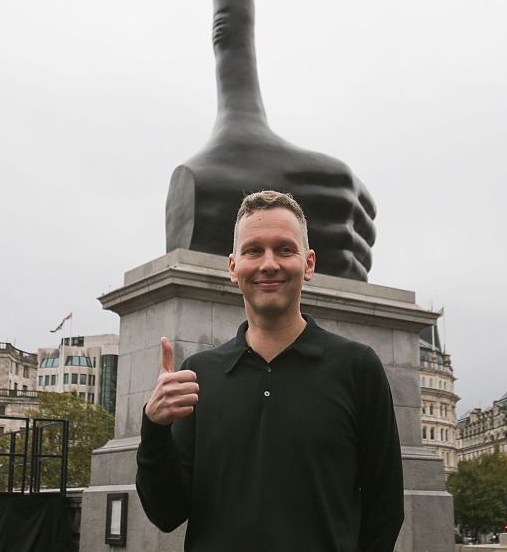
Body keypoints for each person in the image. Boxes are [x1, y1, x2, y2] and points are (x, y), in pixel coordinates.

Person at [137, 190, 404, 551]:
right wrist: (154, 428)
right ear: (233, 267)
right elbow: (166, 513)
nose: (268, 263)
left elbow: (385, 508)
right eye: (253, 250)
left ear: (308, 264)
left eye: (284, 249)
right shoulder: (198, 375)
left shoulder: (357, 368)